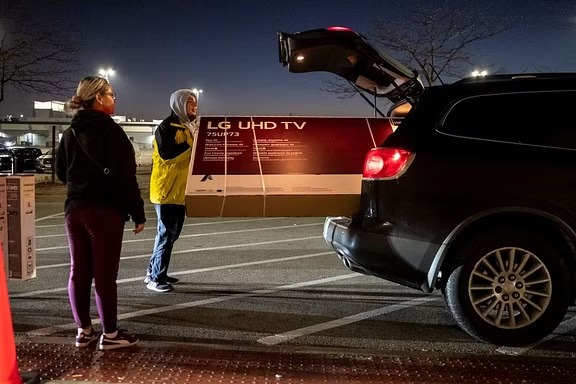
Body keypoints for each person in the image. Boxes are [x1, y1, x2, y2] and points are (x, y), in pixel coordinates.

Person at [56, 75, 146, 350]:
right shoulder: (111, 131)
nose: (114, 99)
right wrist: (137, 212)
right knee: (105, 275)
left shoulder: (70, 132)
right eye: (111, 94)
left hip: (74, 210)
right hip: (104, 211)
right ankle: (111, 335)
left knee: (78, 272)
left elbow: (61, 172)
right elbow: (126, 176)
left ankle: (84, 332)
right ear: (98, 98)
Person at [145, 89, 197, 292]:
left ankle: (155, 271)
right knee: (166, 234)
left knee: (171, 235)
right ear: (179, 104)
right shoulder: (166, 128)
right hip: (166, 190)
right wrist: (194, 147)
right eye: (190, 102)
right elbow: (168, 155)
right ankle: (155, 279)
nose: (194, 106)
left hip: (180, 192)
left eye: (195, 102)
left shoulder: (190, 126)